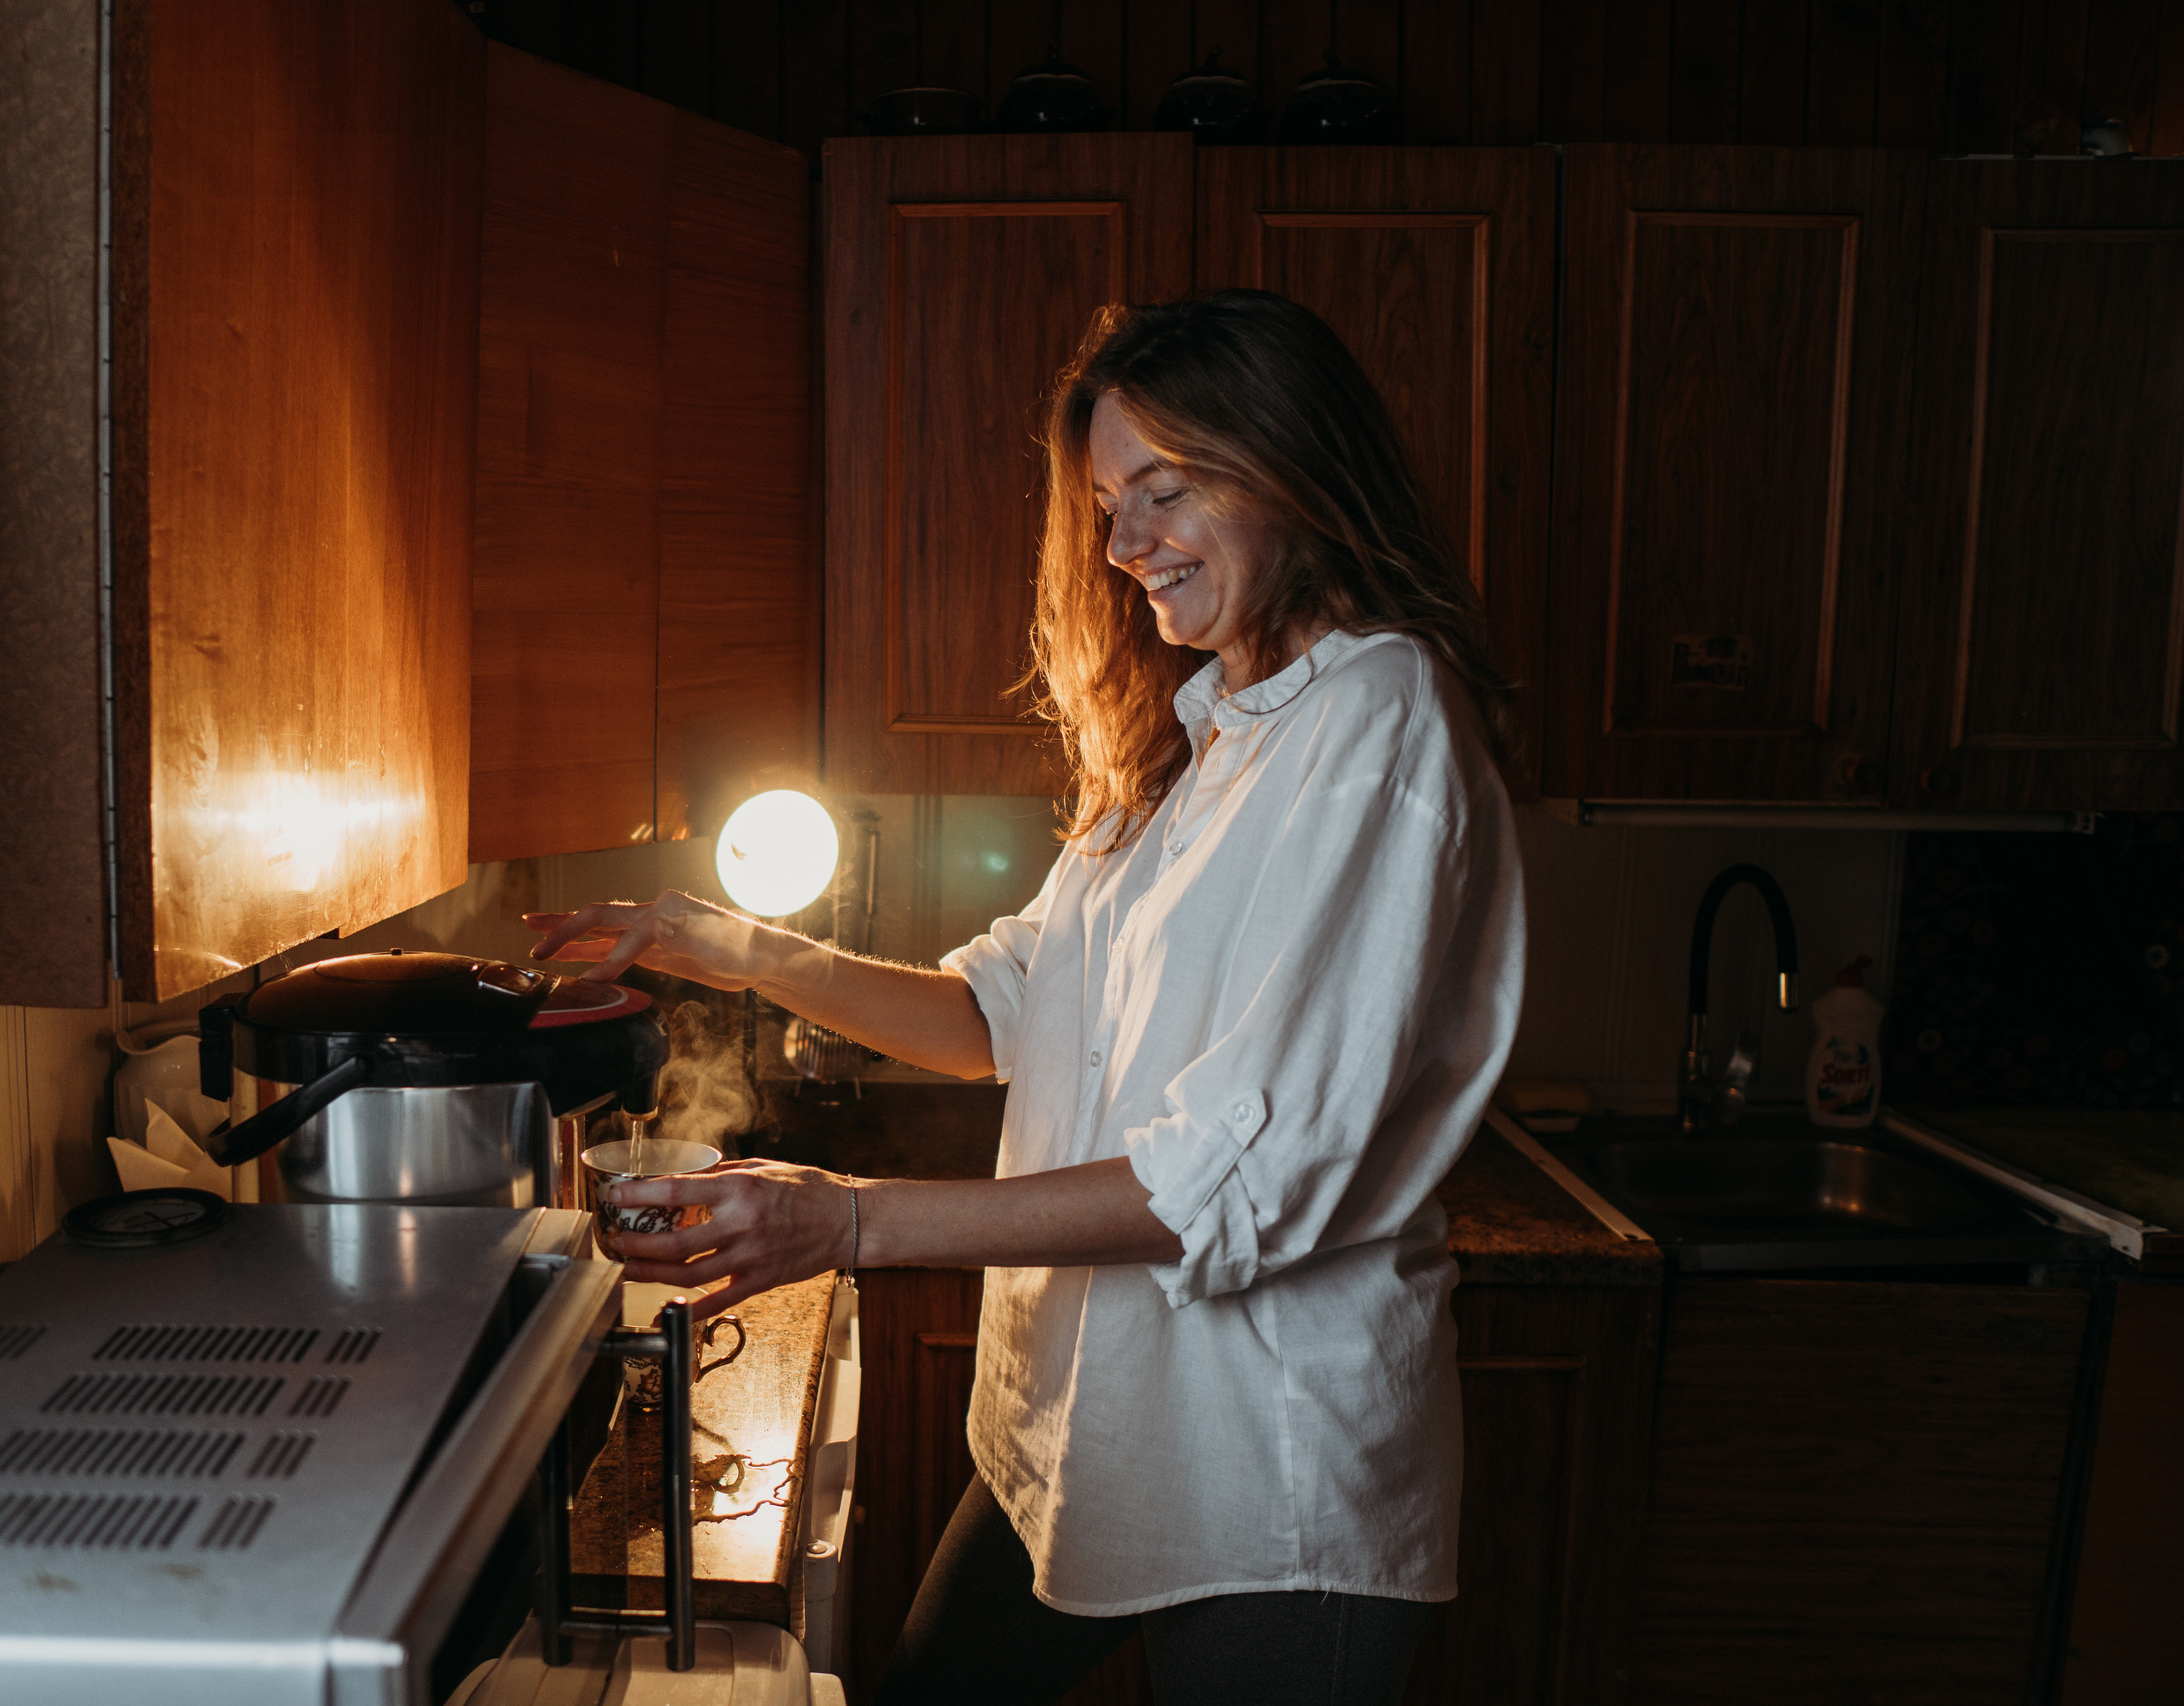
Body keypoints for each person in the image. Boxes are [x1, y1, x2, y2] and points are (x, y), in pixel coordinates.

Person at [526, 289, 1527, 1706]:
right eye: (1110, 503)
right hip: (1073, 1425)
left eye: (1164, 492)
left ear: (1293, 469)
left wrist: (847, 1219)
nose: (1123, 546)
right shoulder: (1199, 735)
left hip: (1267, 1477)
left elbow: (1229, 1183)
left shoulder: (1380, 721)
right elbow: (998, 1015)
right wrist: (729, 944)